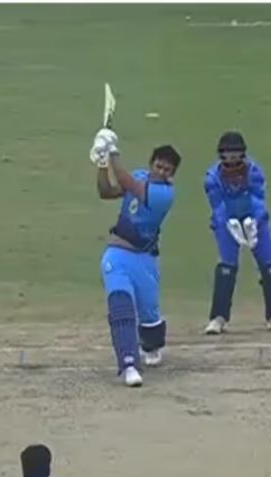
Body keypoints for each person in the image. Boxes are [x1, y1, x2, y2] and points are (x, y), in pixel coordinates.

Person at [90, 128, 181, 387]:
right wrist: (102, 164)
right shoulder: (140, 176)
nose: (161, 172)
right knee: (120, 306)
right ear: (151, 163)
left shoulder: (165, 194)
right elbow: (106, 191)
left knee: (149, 315)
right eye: (158, 166)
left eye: (167, 170)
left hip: (144, 260)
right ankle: (128, 364)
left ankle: (150, 345)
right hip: (117, 255)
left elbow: (128, 182)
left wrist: (113, 150)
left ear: (172, 174)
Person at [203, 131, 271, 334]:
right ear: (221, 155)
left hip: (255, 222)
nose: (232, 158)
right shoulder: (212, 177)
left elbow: (258, 198)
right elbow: (217, 205)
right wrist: (229, 222)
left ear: (243, 154)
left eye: (236, 153)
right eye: (227, 154)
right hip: (227, 224)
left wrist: (253, 221)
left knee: (269, 264)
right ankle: (218, 318)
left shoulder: (254, 171)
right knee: (227, 266)